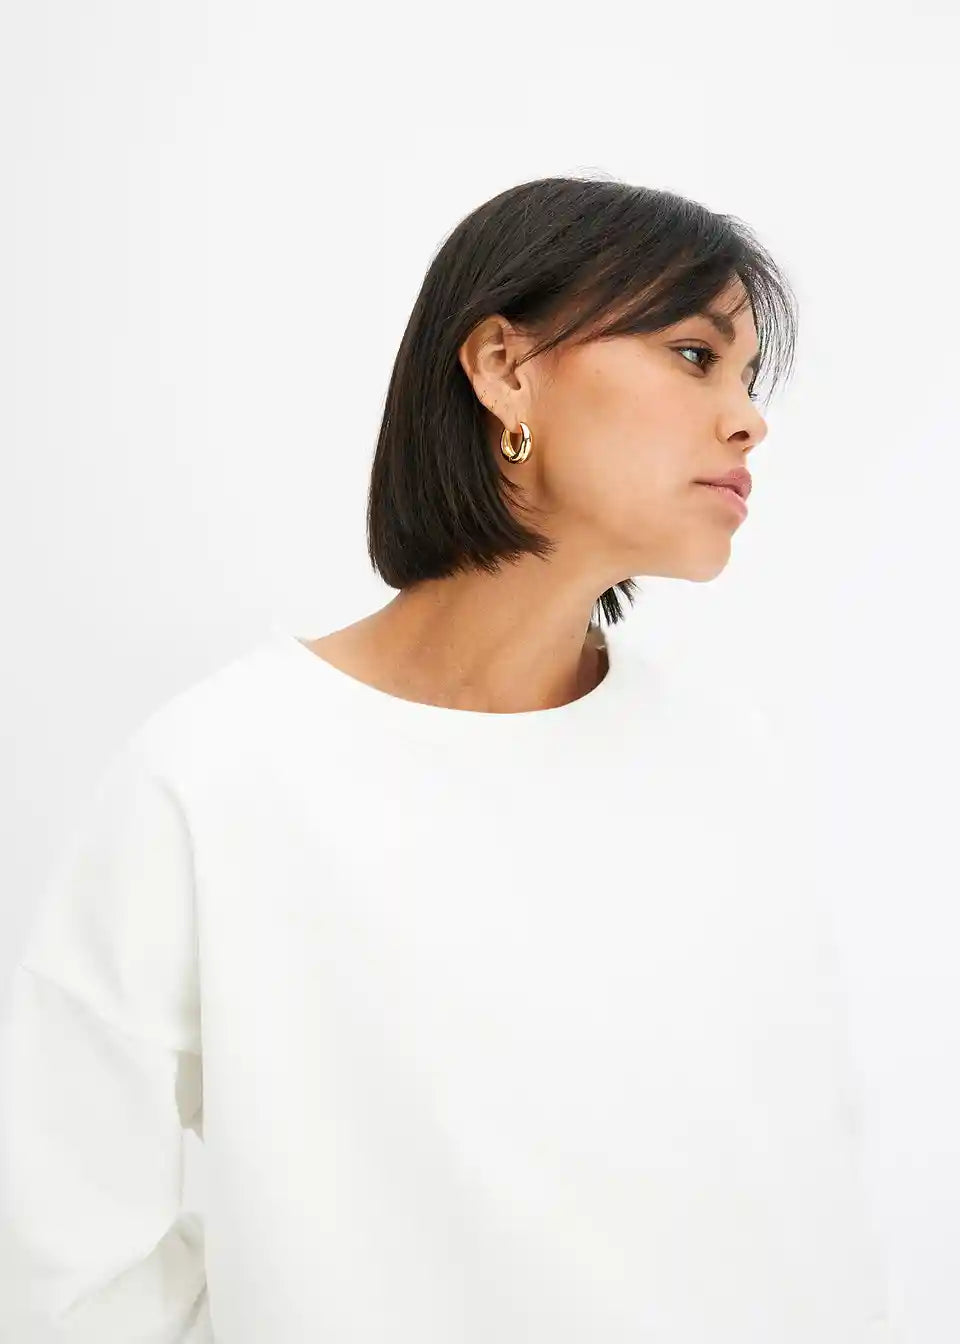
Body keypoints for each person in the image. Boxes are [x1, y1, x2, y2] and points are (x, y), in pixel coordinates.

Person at [0, 176, 901, 1342]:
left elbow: (807, 1199)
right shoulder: (218, 778)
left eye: (748, 378)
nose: (747, 420)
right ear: (505, 368)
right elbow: (65, 1259)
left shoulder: (728, 759)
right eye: (695, 356)